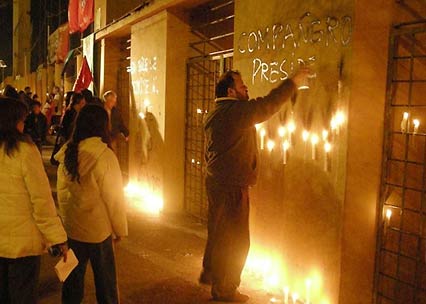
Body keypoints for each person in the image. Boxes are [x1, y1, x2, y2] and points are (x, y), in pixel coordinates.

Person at [200, 68, 310, 302]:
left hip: (220, 181)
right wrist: (292, 82)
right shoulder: (233, 112)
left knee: (222, 235)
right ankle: (225, 288)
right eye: (242, 85)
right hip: (231, 185)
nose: (246, 88)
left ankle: (215, 279)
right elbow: (266, 106)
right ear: (231, 91)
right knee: (236, 240)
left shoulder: (216, 112)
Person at [55, 104, 128, 304]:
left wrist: (66, 222)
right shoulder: (104, 156)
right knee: (106, 285)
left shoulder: (67, 154)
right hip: (99, 232)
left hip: (73, 230)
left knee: (72, 284)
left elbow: (62, 195)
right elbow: (114, 199)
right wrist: (120, 228)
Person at [0, 97, 68, 304]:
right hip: (22, 245)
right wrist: (58, 238)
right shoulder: (25, 152)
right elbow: (42, 202)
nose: (23, 124)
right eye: (21, 120)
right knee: (22, 297)